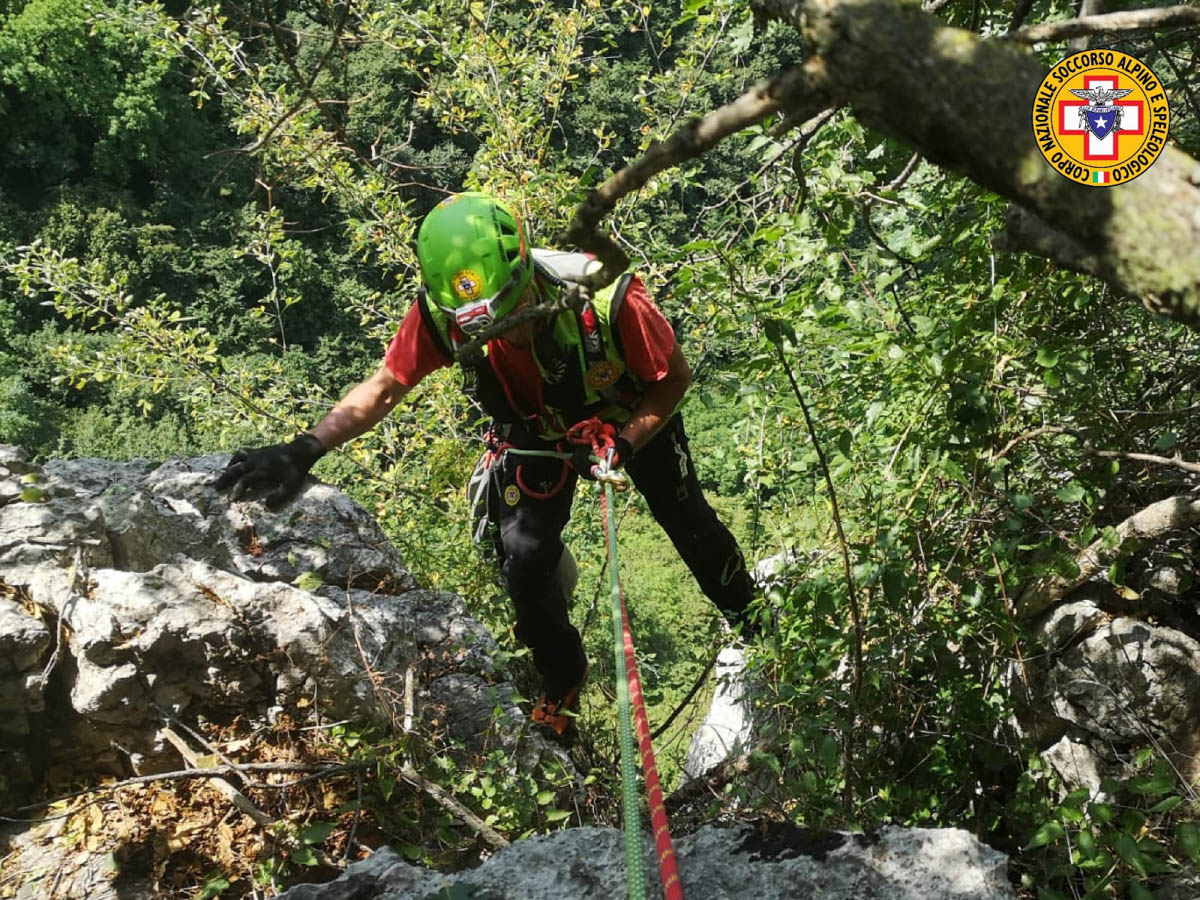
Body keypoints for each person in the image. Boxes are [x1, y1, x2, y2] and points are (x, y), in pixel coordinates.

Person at [215, 192, 756, 735]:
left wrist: (627, 440)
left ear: (527, 279)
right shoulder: (441, 314)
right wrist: (304, 447)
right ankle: (562, 674)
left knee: (688, 523)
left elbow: (673, 382)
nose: (504, 333)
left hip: (631, 414)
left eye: (514, 314)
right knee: (523, 559)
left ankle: (754, 623)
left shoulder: (608, 294)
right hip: (535, 430)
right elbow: (385, 388)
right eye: (483, 327)